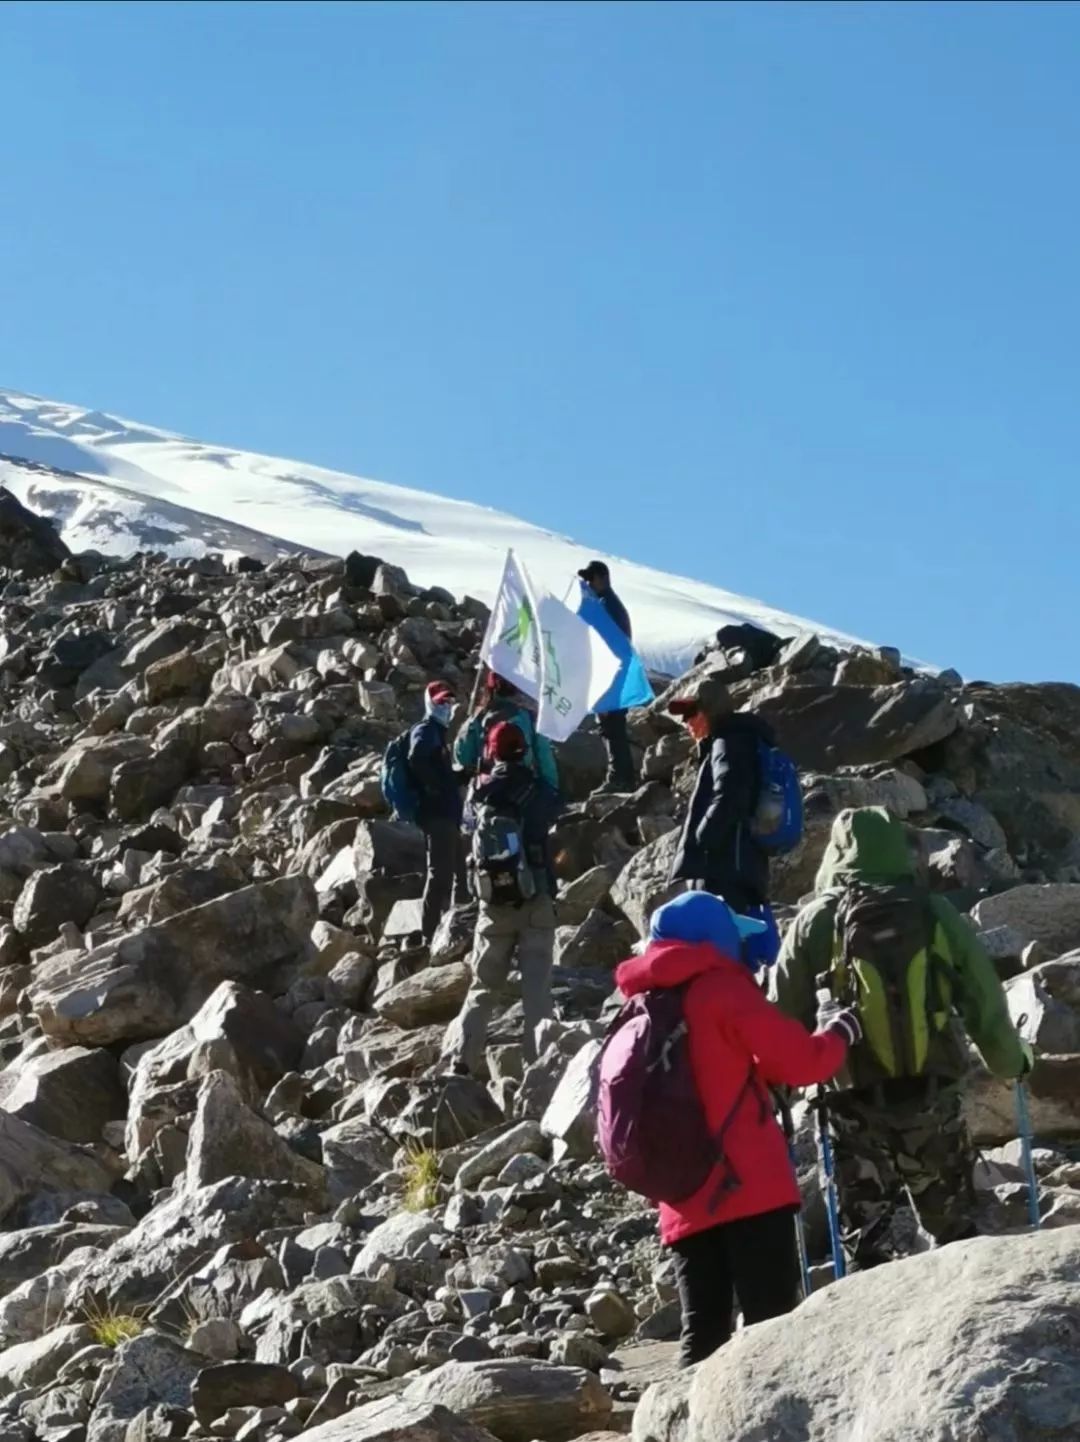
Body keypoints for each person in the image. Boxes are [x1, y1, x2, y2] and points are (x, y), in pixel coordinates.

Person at [773, 806, 1034, 1272]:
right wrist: (1011, 1063)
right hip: (930, 1096)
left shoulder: (815, 920)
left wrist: (778, 1087)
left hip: (849, 1103)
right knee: (955, 1229)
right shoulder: (932, 911)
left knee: (869, 1245)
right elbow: (982, 997)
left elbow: (780, 1019)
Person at [613, 890, 856, 1366]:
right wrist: (839, 1034)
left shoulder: (641, 1005)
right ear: (716, 939)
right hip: (749, 1188)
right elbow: (802, 1062)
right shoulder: (723, 991)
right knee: (773, 1327)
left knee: (702, 1333)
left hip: (681, 1195)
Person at [442, 720, 561, 1076]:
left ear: (491, 751)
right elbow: (557, 811)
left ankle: (461, 1062)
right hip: (535, 898)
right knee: (537, 990)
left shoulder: (480, 793)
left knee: (482, 988)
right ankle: (539, 1068)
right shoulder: (538, 790)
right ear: (523, 750)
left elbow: (466, 829)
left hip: (492, 902)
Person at [668, 675, 780, 964]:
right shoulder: (738, 739)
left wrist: (702, 840)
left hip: (723, 867)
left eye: (693, 713)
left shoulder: (728, 741)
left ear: (711, 711)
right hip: (738, 864)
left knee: (721, 956)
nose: (687, 722)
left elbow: (730, 794)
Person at [408, 681, 468, 944]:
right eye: (441, 702)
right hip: (437, 815)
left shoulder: (438, 732)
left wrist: (459, 777)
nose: (446, 707)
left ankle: (461, 923)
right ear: (429, 703)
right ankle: (428, 933)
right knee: (440, 874)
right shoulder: (426, 730)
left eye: (448, 702)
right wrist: (434, 787)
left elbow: (440, 772)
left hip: (448, 813)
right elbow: (416, 758)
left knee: (460, 871)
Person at [579, 560, 637, 793]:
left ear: (602, 578)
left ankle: (619, 778)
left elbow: (609, 644)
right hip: (614, 675)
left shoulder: (607, 606)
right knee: (613, 727)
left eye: (591, 579)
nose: (588, 584)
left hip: (611, 676)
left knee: (612, 728)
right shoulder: (609, 604)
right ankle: (621, 776)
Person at [454, 670, 560, 792]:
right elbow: (544, 758)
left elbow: (462, 757)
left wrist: (470, 722)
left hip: (487, 788)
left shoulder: (478, 719)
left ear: (490, 688)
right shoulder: (527, 718)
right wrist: (551, 790)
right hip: (522, 788)